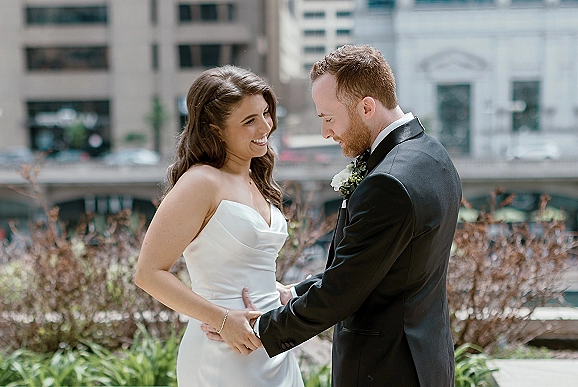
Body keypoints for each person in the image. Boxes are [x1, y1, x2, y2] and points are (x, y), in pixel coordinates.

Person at [206, 44, 462, 386]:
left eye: (328, 118)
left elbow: (342, 292)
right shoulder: (433, 155)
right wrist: (295, 293)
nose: (326, 132)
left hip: (385, 369)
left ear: (366, 107)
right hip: (427, 360)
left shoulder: (387, 182)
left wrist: (255, 330)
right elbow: (375, 267)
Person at [134, 65, 304, 387]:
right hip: (222, 352)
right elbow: (148, 273)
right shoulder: (200, 182)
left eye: (265, 113)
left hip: (272, 345)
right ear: (215, 129)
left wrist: (272, 287)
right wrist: (221, 318)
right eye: (249, 121)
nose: (265, 126)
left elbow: (240, 257)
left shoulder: (254, 177)